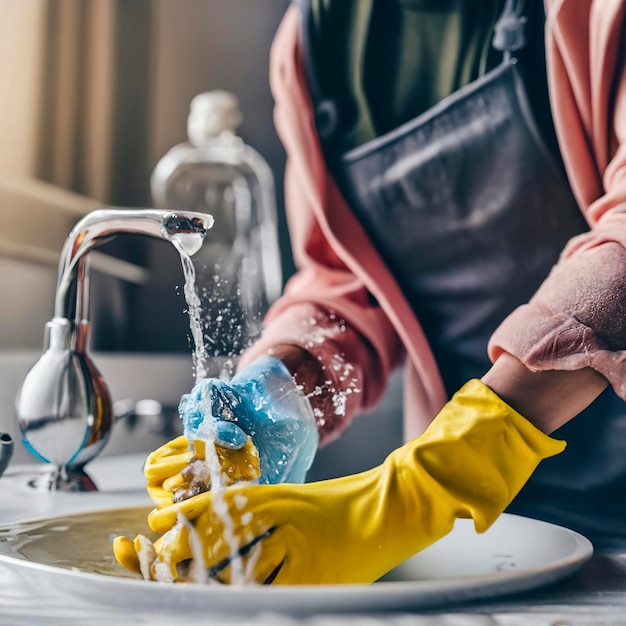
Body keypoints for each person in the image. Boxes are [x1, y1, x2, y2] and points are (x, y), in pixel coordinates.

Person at [119, 0, 626, 584]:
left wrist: (430, 484)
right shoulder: (316, 38)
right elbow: (345, 280)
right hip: (481, 530)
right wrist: (284, 386)